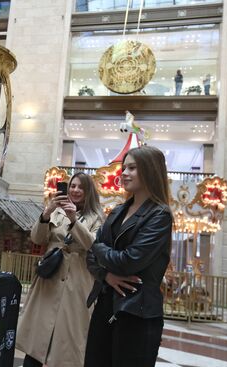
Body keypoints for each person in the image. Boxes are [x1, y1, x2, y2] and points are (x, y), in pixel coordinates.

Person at [84, 145, 172, 367]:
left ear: (150, 170)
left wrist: (96, 246)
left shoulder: (159, 215)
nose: (124, 173)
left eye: (132, 168)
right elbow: (91, 258)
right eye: (124, 168)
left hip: (137, 313)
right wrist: (107, 276)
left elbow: (129, 261)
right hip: (105, 304)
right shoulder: (117, 212)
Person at [17, 172, 104, 367]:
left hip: (77, 284)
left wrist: (74, 220)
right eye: (72, 186)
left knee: (66, 344)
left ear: (88, 191)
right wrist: (46, 214)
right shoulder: (56, 212)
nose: (75, 190)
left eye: (81, 187)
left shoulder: (96, 218)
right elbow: (37, 239)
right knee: (37, 339)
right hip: (49, 280)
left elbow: (92, 245)